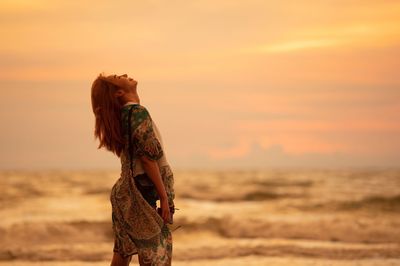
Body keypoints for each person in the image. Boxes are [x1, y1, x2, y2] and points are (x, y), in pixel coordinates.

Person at [91, 72, 175, 266]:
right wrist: (163, 196)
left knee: (122, 254)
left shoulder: (121, 116)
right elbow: (147, 158)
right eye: (118, 76)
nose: (125, 74)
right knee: (158, 255)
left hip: (125, 194)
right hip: (141, 192)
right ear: (118, 92)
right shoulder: (137, 112)